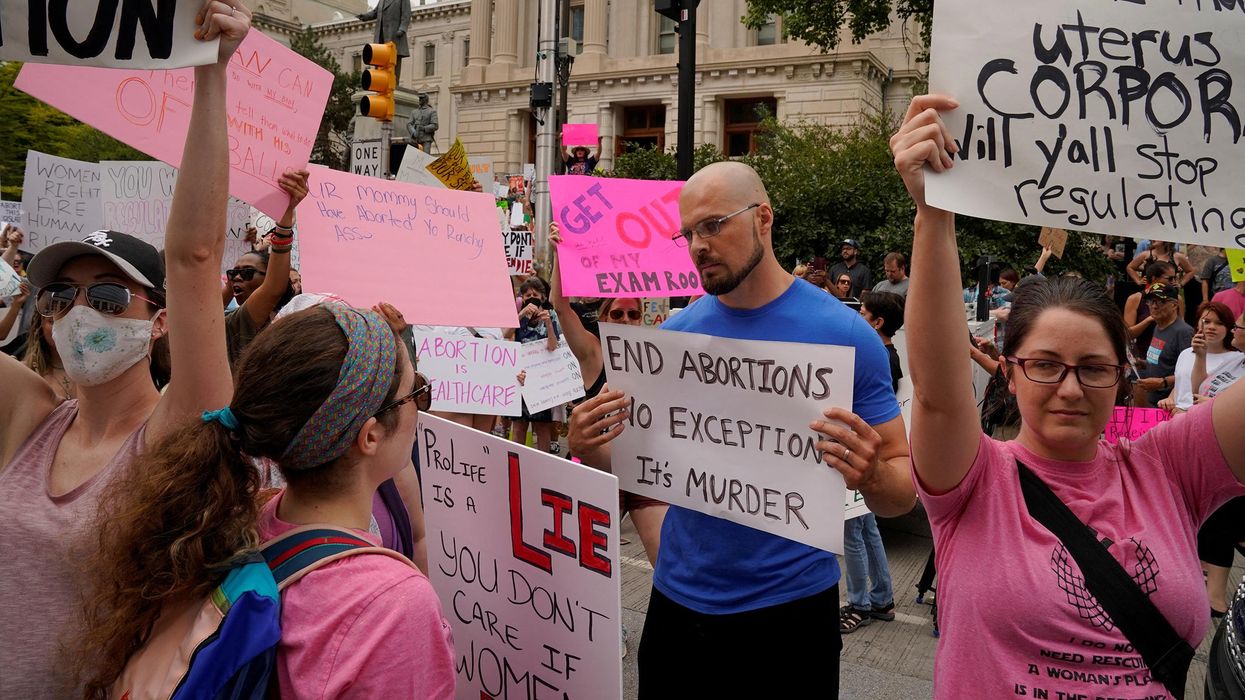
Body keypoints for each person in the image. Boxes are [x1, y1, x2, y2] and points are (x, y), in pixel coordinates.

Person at [893, 93, 1245, 699]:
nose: (1071, 388)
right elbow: (938, 391)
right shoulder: (975, 479)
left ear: (1121, 372)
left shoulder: (1170, 468)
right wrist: (933, 213)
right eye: (1045, 366)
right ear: (1008, 370)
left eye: (1094, 368)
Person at [568, 161, 914, 697]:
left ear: (764, 218)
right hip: (677, 607)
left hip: (791, 614)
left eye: (713, 225)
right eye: (687, 234)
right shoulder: (673, 339)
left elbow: (901, 493)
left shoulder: (846, 335)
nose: (698, 245)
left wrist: (868, 473)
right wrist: (591, 447)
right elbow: (638, 473)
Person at [0, 7, 246, 697]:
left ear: (161, 321)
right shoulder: (29, 417)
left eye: (108, 298)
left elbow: (194, 257)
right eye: (60, 297)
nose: (80, 313)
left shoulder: (172, 434)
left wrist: (212, 78)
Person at [77, 302, 455, 698]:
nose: (420, 405)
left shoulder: (224, 519)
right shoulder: (394, 605)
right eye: (416, 392)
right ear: (371, 436)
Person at [547, 221, 668, 565]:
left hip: (645, 475)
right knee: (589, 571)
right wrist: (560, 254)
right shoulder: (592, 352)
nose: (626, 320)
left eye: (634, 314)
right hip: (600, 476)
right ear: (603, 318)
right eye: (617, 313)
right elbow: (560, 305)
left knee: (669, 564)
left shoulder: (656, 358)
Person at [839, 291, 906, 634]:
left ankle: (860, 603)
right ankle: (881, 599)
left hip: (864, 455)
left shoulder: (877, 354)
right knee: (867, 529)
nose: (856, 318)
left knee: (852, 531)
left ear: (877, 322)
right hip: (869, 453)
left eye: (862, 313)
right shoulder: (887, 353)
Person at [222, 170, 307, 366]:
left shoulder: (293, 323)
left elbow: (272, 288)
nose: (237, 278)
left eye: (247, 273)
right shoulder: (234, 322)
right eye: (233, 273)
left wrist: (285, 220)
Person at [505, 278, 562, 453]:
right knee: (519, 426)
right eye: (527, 295)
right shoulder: (517, 316)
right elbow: (505, 335)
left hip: (542, 379)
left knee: (542, 427)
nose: (531, 298)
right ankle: (516, 462)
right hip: (521, 377)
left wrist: (548, 324)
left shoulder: (551, 315)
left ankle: (541, 464)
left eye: (535, 295)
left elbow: (553, 346)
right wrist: (520, 315)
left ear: (542, 298)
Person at [1163, 301, 1239, 414]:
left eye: (1219, 323)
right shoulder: (1186, 353)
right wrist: (1170, 399)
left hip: (1209, 419)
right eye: (1206, 322)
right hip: (1177, 420)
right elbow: (1181, 383)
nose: (1212, 327)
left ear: (1229, 328)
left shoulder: (1237, 360)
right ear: (1198, 324)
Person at [1137, 282, 1193, 408]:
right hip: (1153, 399)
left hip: (1169, 404)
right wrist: (1143, 363)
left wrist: (1163, 383)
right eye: (1150, 301)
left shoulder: (1183, 332)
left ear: (1174, 305)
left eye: (1160, 302)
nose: (1154, 306)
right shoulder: (1158, 326)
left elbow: (1190, 373)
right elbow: (1164, 361)